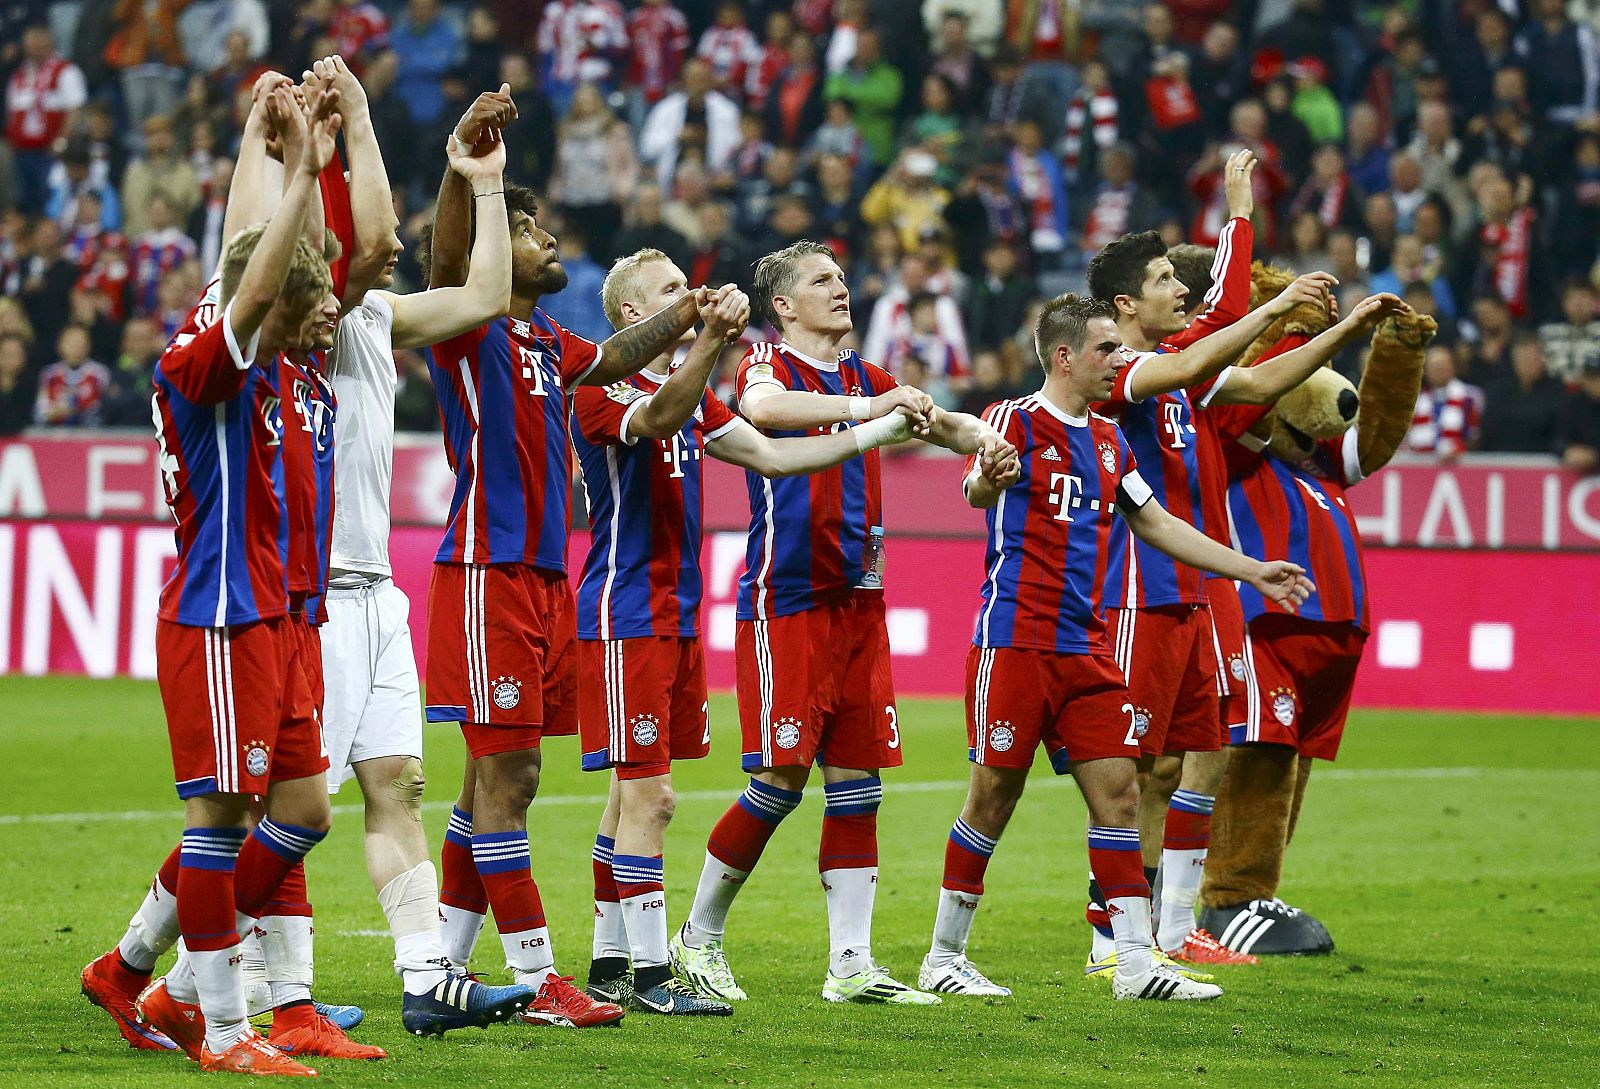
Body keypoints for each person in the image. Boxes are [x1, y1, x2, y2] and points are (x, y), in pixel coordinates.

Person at [419, 87, 725, 1029]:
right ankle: (541, 976)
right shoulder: (465, 329)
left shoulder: (548, 343)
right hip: (487, 572)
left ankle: (445, 973)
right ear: (499, 252)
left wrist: (690, 322)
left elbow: (620, 348)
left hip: (546, 581)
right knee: (510, 780)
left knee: (488, 782)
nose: (553, 243)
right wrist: (469, 166)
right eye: (535, 233)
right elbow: (444, 255)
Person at [920, 293, 1314, 1000]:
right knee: (992, 798)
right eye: (1107, 350)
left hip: (1084, 645)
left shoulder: (1109, 442)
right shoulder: (1016, 418)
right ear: (1065, 355)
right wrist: (987, 476)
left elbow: (1158, 523)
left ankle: (1132, 962)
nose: (1120, 362)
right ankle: (944, 953)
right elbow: (977, 485)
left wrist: (1251, 568)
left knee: (1121, 796)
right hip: (1014, 639)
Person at [668, 239, 1015, 1006]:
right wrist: (872, 410)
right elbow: (762, 413)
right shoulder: (767, 364)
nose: (842, 288)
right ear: (783, 305)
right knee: (780, 782)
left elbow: (940, 422)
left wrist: (988, 442)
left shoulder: (869, 375)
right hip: (786, 599)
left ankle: (851, 964)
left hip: (860, 602)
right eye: (822, 280)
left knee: (858, 785)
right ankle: (696, 937)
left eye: (843, 277)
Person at [79, 84, 346, 1078]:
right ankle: (224, 1032)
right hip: (219, 614)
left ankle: (136, 964)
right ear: (259, 302)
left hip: (273, 615)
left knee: (303, 813)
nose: (325, 304)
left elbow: (252, 245)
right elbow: (251, 263)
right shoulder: (206, 360)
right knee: (220, 822)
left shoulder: (274, 362)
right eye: (305, 294)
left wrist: (265, 141)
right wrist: (301, 171)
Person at [574, 250, 917, 1014]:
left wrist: (874, 432)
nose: (690, 296)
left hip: (675, 615)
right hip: (623, 612)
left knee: (626, 797)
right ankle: (658, 974)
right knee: (651, 797)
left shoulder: (690, 395)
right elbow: (662, 416)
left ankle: (606, 963)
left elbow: (770, 456)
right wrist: (708, 340)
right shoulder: (604, 391)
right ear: (635, 316)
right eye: (671, 291)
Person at [1084, 152, 1404, 970]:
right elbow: (1206, 345)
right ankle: (1107, 936)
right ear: (1126, 305)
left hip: (1204, 579)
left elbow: (1253, 374)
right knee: (1132, 767)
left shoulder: (1189, 382)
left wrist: (1342, 328)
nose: (1179, 290)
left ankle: (1175, 923)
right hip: (1141, 585)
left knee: (1204, 751)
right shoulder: (1128, 372)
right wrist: (1254, 247)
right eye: (1163, 279)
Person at [32, 324, 111, 426]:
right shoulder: (49, 374)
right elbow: (39, 413)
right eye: (71, 343)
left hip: (91, 434)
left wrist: (76, 410)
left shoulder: (100, 373)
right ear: (60, 345)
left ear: (88, 345)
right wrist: (52, 413)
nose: (76, 347)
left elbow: (107, 410)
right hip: (55, 434)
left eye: (80, 342)